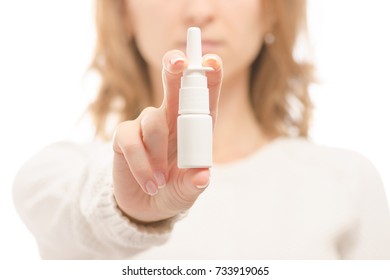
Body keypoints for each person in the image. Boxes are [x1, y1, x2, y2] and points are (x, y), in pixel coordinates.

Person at [13, 0, 390, 259]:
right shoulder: (57, 176)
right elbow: (77, 214)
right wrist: (129, 211)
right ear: (123, 12)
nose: (198, 11)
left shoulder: (348, 184)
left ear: (272, 12)